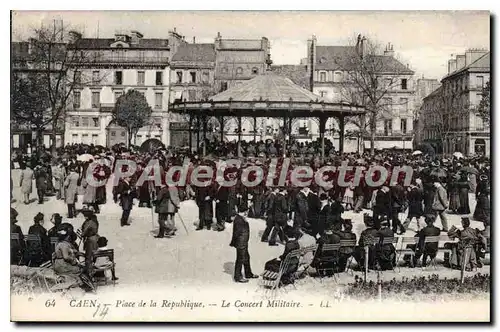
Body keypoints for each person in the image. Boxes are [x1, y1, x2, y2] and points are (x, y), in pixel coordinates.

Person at [229, 205, 258, 283]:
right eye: (246, 211)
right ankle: (237, 277)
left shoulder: (241, 218)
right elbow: (236, 233)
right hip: (241, 243)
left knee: (246, 258)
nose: (247, 213)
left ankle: (248, 273)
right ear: (245, 211)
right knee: (240, 259)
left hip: (244, 242)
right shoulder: (239, 220)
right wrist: (236, 243)